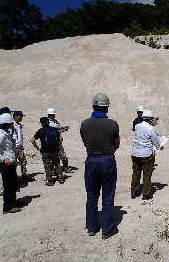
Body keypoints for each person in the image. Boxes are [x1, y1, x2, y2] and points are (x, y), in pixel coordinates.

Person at [80, 93, 120, 239]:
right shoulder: (113, 124)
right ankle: (107, 229)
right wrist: (107, 153)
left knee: (91, 195)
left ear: (93, 106)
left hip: (91, 160)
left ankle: (91, 227)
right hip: (107, 160)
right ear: (106, 108)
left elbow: (85, 142)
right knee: (108, 196)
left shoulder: (84, 124)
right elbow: (117, 144)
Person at [0, 113, 21, 214]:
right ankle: (7, 207)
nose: (12, 124)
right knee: (7, 185)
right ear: (6, 124)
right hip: (5, 164)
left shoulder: (6, 133)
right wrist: (3, 159)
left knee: (12, 183)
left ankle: (13, 202)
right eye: (11, 122)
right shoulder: (1, 135)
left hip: (10, 163)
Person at [131, 109, 163, 200]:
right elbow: (155, 141)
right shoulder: (150, 129)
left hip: (135, 153)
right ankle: (146, 194)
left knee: (136, 173)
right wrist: (159, 147)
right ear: (149, 119)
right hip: (146, 154)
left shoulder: (137, 126)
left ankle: (133, 191)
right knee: (147, 174)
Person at [31, 117, 64, 186]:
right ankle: (60, 178)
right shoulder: (54, 129)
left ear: (42, 123)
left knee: (47, 165)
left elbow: (33, 140)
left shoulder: (41, 131)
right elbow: (61, 138)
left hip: (45, 151)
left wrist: (37, 148)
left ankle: (49, 180)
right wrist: (58, 146)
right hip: (54, 150)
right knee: (57, 164)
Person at [47, 108, 71, 173]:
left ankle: (66, 168)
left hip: (58, 140)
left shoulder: (55, 121)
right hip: (51, 141)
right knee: (52, 156)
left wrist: (64, 129)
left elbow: (59, 130)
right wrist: (61, 127)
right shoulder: (47, 122)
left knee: (62, 154)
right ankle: (53, 170)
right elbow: (52, 128)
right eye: (53, 114)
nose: (54, 116)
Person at [0, 107, 11, 196]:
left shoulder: (3, 127)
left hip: (7, 155)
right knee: (3, 175)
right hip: (4, 157)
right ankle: (3, 191)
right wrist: (2, 157)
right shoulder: (0, 131)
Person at [12, 111, 28, 181]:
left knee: (23, 161)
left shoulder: (19, 125)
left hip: (20, 147)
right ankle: (14, 177)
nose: (21, 118)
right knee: (14, 163)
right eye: (20, 116)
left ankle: (24, 175)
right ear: (15, 117)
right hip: (14, 147)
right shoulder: (12, 126)